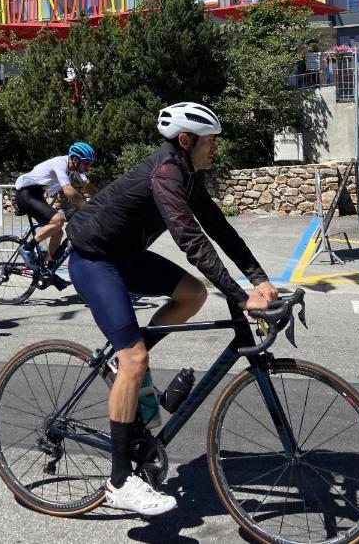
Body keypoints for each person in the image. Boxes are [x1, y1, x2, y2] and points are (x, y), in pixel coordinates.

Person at [66, 103, 278, 517]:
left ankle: (129, 363)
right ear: (186, 140)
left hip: (125, 255)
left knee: (192, 295)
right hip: (93, 259)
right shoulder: (165, 172)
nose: (215, 147)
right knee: (135, 359)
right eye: (210, 140)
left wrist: (258, 277)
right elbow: (190, 239)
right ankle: (120, 483)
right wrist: (239, 297)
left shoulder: (187, 174)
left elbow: (218, 228)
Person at [13, 142, 97, 263]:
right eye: (86, 163)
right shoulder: (60, 163)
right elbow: (68, 191)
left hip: (37, 196)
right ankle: (27, 248)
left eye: (90, 164)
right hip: (26, 195)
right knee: (58, 220)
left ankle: (48, 269)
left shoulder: (75, 168)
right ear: (74, 159)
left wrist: (102, 202)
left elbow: (87, 185)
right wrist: (87, 208)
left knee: (57, 233)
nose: (87, 166)